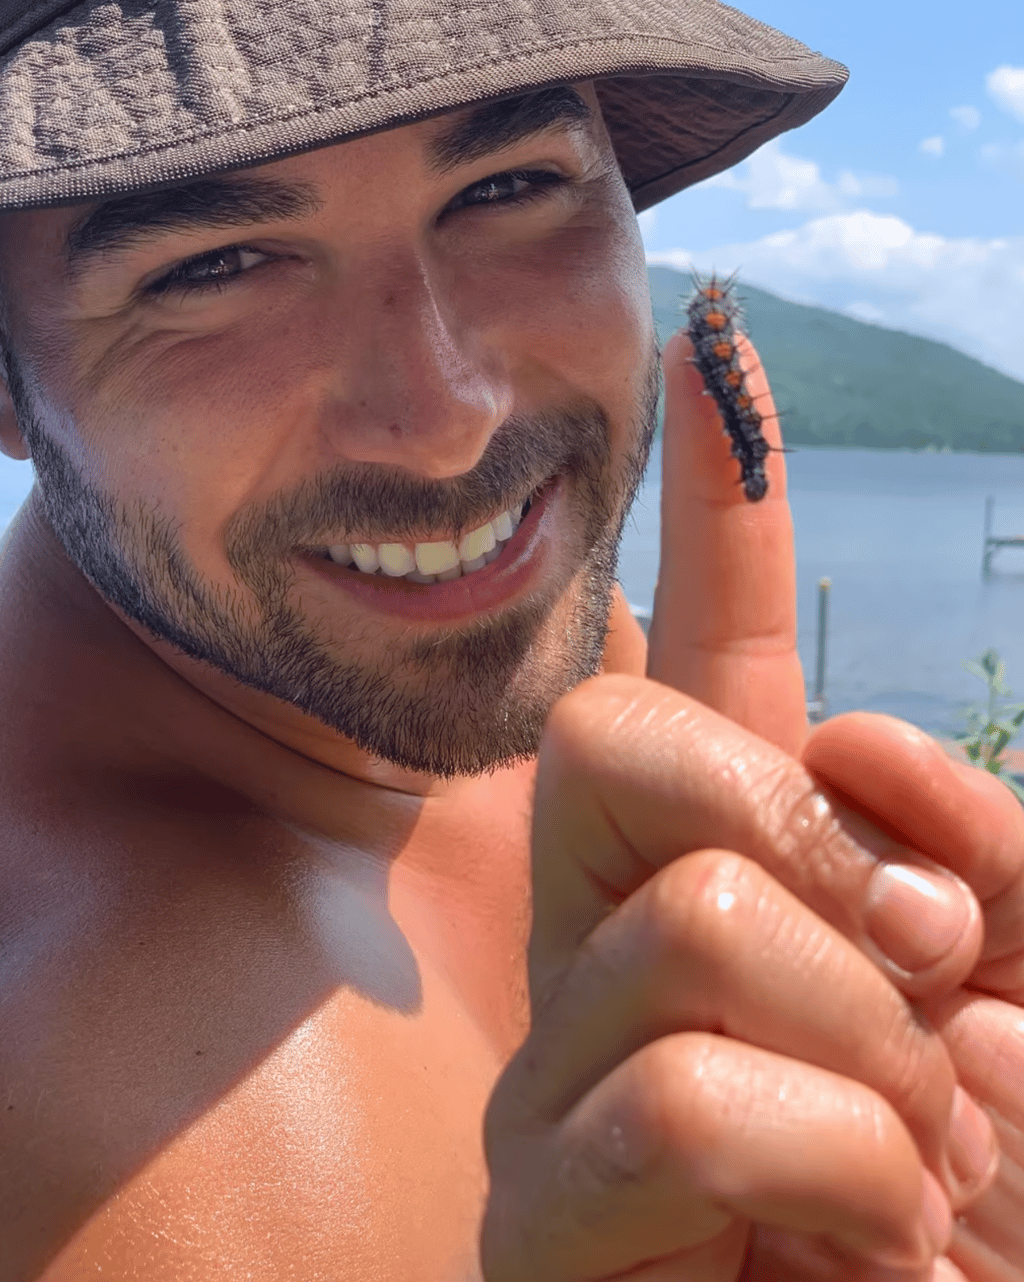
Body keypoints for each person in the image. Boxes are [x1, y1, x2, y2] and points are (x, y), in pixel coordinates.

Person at [0, 2, 1021, 1279]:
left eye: (509, 183)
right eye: (211, 265)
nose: (444, 421)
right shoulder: (134, 1102)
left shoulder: (512, 662)